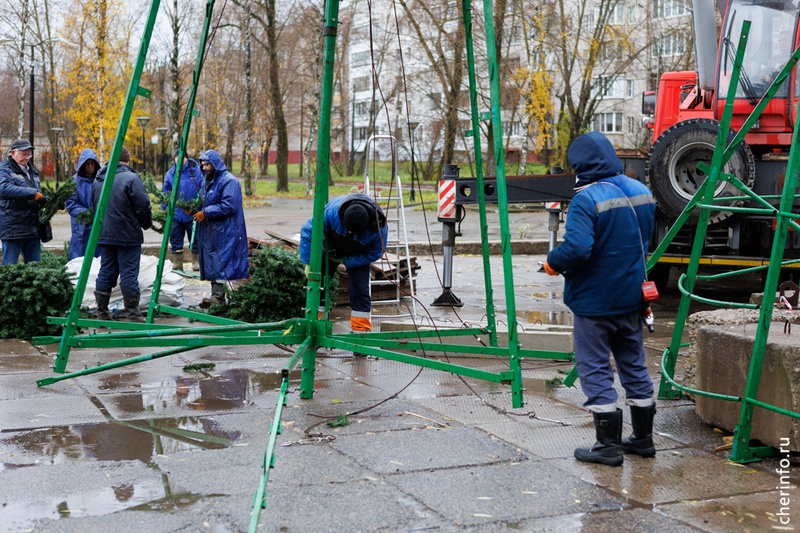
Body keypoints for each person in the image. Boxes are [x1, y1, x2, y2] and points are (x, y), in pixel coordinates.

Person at [543, 131, 656, 467]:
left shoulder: (586, 199)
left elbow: (578, 248)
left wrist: (552, 262)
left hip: (595, 302)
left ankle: (607, 446)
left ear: (579, 164)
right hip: (633, 297)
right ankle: (643, 439)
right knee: (633, 364)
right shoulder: (642, 191)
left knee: (594, 368)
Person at [299, 193, 387, 350]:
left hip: (359, 254)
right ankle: (316, 332)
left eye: (354, 232)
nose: (350, 234)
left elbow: (375, 252)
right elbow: (307, 231)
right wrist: (308, 262)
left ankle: (360, 337)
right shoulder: (331, 213)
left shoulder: (377, 228)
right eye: (348, 230)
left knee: (360, 292)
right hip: (330, 249)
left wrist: (348, 261)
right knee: (319, 288)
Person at [91, 146, 153, 322]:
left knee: (106, 271)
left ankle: (101, 312)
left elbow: (94, 206)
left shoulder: (98, 179)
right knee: (128, 273)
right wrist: (146, 224)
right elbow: (142, 206)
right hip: (127, 235)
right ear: (126, 160)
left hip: (104, 234)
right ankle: (133, 313)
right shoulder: (132, 178)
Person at [191, 150, 249, 307]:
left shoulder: (229, 182)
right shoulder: (206, 181)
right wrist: (191, 208)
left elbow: (229, 206)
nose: (204, 168)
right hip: (213, 231)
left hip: (226, 231)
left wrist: (205, 213)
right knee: (214, 263)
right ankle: (216, 296)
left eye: (207, 165)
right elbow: (202, 201)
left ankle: (218, 296)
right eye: (202, 165)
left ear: (215, 164)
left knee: (221, 263)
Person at [0, 139, 45, 264]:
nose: (26, 158)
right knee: (10, 268)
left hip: (32, 229)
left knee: (36, 269)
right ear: (13, 153)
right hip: (13, 229)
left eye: (28, 154)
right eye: (23, 154)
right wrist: (32, 193)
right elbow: (4, 189)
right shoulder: (4, 169)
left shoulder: (32, 172)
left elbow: (39, 192)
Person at [163, 149, 201, 270]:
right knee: (175, 237)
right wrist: (165, 208)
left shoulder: (196, 171)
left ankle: (196, 261)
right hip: (176, 213)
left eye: (181, 157)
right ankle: (177, 263)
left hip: (192, 211)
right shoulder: (171, 173)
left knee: (195, 237)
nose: (178, 159)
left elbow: (202, 188)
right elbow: (166, 192)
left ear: (186, 158)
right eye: (176, 157)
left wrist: (197, 205)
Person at [65, 149, 101, 260]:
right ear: (82, 165)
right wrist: (87, 214)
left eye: (92, 164)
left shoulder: (100, 181)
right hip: (80, 228)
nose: (90, 166)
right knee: (78, 261)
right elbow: (71, 204)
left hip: (98, 228)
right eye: (87, 164)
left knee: (98, 261)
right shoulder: (74, 182)